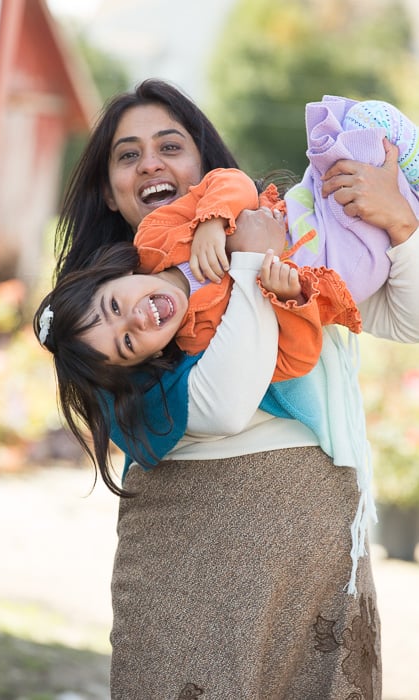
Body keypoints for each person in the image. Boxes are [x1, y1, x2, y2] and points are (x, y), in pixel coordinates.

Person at [48, 79, 419, 698]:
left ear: (203, 162)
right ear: (108, 191)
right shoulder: (109, 316)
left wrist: (400, 225)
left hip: (319, 541)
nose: (151, 164)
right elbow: (220, 405)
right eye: (127, 155)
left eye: (170, 145)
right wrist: (249, 264)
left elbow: (406, 319)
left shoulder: (289, 240)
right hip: (196, 558)